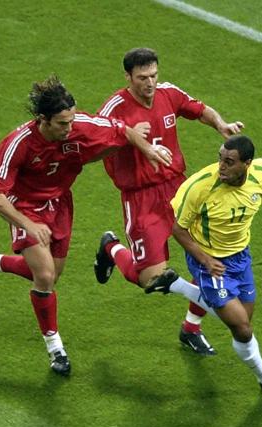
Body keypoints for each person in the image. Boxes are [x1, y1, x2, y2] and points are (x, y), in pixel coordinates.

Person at [0, 75, 171, 375]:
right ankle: (56, 349)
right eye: (63, 123)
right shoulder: (18, 144)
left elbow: (122, 130)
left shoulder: (80, 125)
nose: (70, 127)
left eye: (72, 120)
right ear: (44, 120)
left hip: (60, 204)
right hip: (25, 206)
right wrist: (28, 224)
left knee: (51, 275)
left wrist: (147, 149)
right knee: (46, 276)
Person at [93, 47, 244, 356]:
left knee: (211, 259)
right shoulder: (113, 108)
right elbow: (95, 150)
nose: (150, 83)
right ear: (128, 77)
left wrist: (221, 125)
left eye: (153, 75)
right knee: (151, 279)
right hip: (142, 198)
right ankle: (111, 247)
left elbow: (199, 109)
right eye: (142, 78)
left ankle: (191, 328)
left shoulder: (168, 93)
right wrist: (128, 136)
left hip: (179, 190)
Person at [145, 135, 262, 399]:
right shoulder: (199, 187)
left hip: (240, 257)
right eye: (220, 158)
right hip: (209, 260)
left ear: (247, 164)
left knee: (243, 318)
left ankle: (175, 285)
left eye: (229, 162)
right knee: (242, 328)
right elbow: (178, 229)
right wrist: (205, 261)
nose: (221, 166)